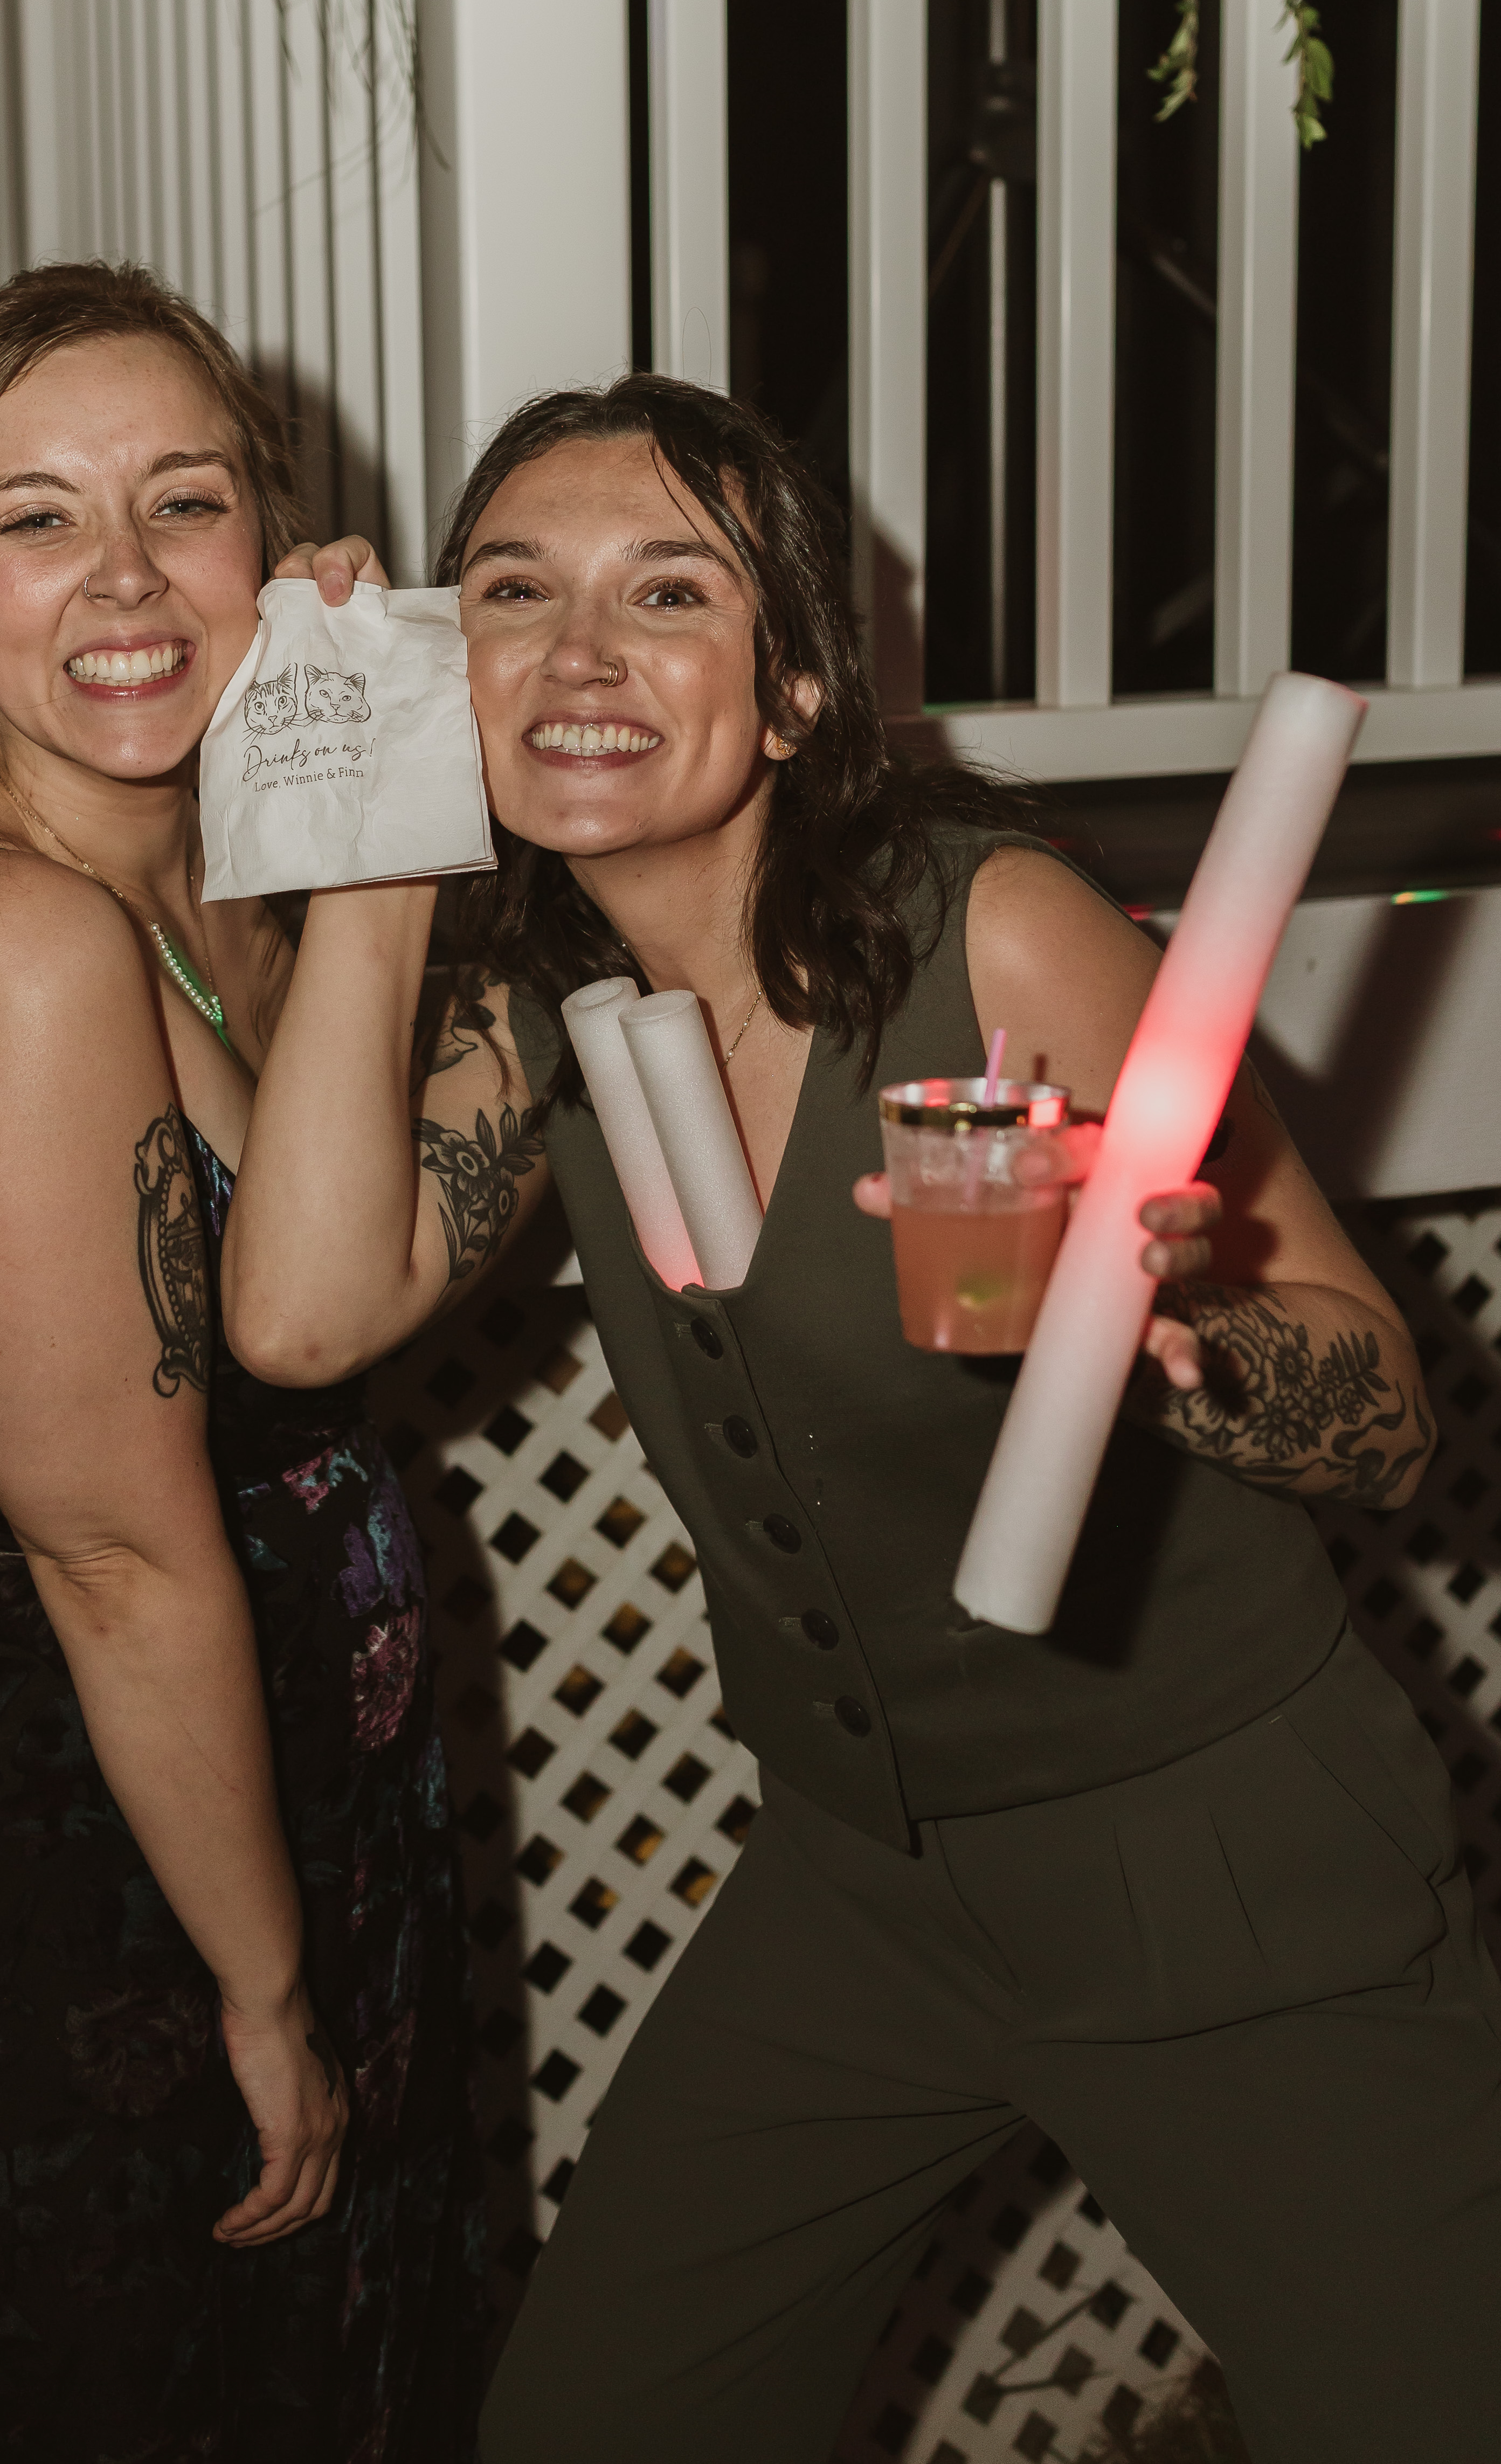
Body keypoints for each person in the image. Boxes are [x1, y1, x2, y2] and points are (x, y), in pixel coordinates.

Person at [223, 373, 1501, 2464]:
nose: (579, 652)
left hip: (1218, 1876)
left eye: (668, 593)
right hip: (861, 1882)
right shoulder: (540, 1012)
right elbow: (295, 1315)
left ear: (798, 686)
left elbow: (1387, 1419)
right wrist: (375, 828)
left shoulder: (991, 932)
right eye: (516, 594)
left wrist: (1171, 1329)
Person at [0, 262, 484, 2461]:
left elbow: (347, 1239)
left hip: (263, 1804)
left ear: (274, 539)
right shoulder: (12, 945)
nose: (130, 575)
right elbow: (114, 1559)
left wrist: (365, 745)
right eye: (39, 518)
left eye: (187, 499)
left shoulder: (219, 875)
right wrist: (259, 1984)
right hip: (84, 1878)